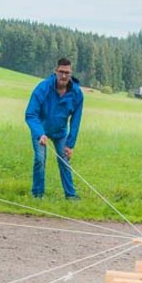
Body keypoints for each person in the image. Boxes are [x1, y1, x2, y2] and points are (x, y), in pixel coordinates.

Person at [25, 57, 84, 200]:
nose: (64, 76)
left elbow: (75, 121)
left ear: (71, 74)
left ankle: (70, 195)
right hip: (41, 130)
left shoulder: (77, 94)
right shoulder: (43, 88)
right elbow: (30, 114)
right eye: (61, 72)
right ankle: (37, 195)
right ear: (55, 71)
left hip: (60, 132)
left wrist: (70, 144)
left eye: (67, 73)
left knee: (64, 161)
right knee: (40, 159)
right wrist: (39, 133)